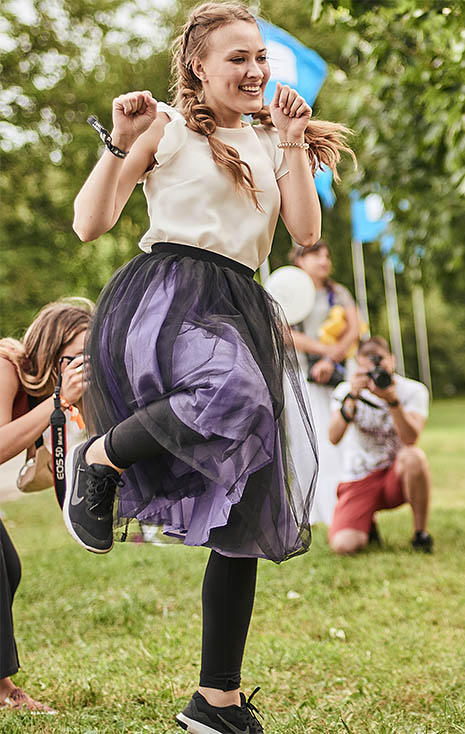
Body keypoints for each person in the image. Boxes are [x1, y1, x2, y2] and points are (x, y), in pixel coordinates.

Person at [68, 3, 351, 732]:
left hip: (242, 307)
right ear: (198, 65)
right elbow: (90, 222)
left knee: (248, 512)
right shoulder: (164, 126)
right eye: (237, 58)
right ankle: (98, 457)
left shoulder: (266, 138)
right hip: (174, 301)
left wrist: (290, 143)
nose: (255, 70)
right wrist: (118, 144)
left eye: (260, 57)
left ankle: (214, 702)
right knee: (229, 393)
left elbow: (306, 232)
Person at [0, 299, 91, 714]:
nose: (79, 368)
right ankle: (4, 690)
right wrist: (56, 401)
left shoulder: (43, 390)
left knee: (9, 569)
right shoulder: (7, 366)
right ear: (53, 351)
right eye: (74, 357)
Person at [327, 337, 433, 555]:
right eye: (369, 369)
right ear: (358, 366)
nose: (376, 374)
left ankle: (420, 534)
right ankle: (367, 525)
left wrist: (392, 400)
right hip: (359, 477)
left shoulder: (413, 390)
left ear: (392, 361)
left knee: (415, 456)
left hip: (396, 474)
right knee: (344, 546)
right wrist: (353, 396)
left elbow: (411, 439)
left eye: (381, 365)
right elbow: (333, 437)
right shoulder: (345, 391)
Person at [288, 240, 361, 526]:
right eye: (316, 254)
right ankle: (314, 510)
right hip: (301, 378)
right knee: (310, 441)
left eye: (327, 254)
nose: (323, 260)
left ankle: (345, 505)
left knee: (342, 440)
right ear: (300, 259)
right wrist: (323, 352)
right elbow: (283, 332)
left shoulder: (338, 292)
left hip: (338, 373)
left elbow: (353, 328)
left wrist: (331, 360)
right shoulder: (289, 289)